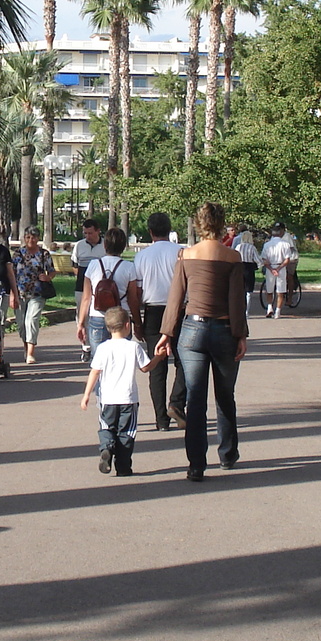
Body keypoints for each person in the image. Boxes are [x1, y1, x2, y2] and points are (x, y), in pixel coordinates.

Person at [156, 202, 248, 481]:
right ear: (221, 224)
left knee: (195, 399)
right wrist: (241, 335)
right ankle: (228, 454)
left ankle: (196, 464)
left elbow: (175, 299)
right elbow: (237, 302)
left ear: (198, 223)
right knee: (225, 395)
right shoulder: (232, 257)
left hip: (192, 330)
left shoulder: (186, 255)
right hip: (223, 330)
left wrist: (166, 334)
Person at [78, 305, 160, 477]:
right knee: (126, 433)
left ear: (108, 328)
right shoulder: (134, 347)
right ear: (127, 325)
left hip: (108, 398)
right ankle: (123, 467)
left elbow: (95, 372)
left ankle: (106, 447)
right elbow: (145, 368)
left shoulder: (102, 348)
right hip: (128, 399)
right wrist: (159, 357)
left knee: (107, 426)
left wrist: (86, 395)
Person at [134, 212, 187, 430]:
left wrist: (137, 322)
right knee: (185, 360)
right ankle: (176, 402)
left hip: (153, 311)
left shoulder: (142, 256)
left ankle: (160, 419)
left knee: (157, 365)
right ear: (169, 229)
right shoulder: (181, 253)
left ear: (150, 232)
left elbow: (137, 292)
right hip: (179, 310)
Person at [77, 227, 142, 371]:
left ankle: (101, 393)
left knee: (99, 364)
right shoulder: (129, 267)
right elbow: (133, 299)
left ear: (105, 245)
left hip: (97, 317)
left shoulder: (93, 265)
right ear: (123, 246)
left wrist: (81, 323)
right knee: (120, 363)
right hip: (121, 317)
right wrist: (137, 323)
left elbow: (86, 298)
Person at [12, 226, 56, 365]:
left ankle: (31, 352)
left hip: (37, 293)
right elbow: (11, 274)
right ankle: (26, 347)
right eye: (28, 237)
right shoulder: (18, 254)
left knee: (31, 320)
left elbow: (52, 271)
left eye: (34, 237)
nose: (31, 240)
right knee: (21, 324)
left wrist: (48, 277)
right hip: (19, 292)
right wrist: (12, 294)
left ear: (38, 238)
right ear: (24, 238)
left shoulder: (44, 254)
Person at [260, 224, 293, 319]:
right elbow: (287, 259)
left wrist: (271, 269)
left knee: (269, 289)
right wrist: (278, 269)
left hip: (270, 268)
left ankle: (269, 307)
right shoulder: (285, 244)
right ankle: (278, 311)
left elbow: (264, 260)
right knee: (280, 290)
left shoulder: (267, 245)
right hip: (281, 267)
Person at [70, 219, 105, 294]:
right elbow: (74, 264)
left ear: (98, 231)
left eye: (90, 233)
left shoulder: (106, 245)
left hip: (100, 287)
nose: (87, 236)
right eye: (85, 233)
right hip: (81, 287)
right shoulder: (79, 245)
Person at [235, 228, 260, 310]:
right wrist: (258, 266)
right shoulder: (252, 248)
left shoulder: (238, 247)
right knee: (248, 291)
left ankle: (240, 308)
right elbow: (258, 260)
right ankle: (246, 311)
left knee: (240, 290)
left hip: (240, 267)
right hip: (249, 268)